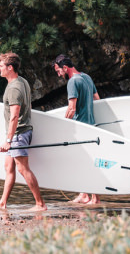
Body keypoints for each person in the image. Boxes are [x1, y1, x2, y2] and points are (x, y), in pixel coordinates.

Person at [0, 52, 47, 211]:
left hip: (19, 133)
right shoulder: (21, 81)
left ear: (10, 68)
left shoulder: (14, 88)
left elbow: (15, 116)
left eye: (1, 66)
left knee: (23, 169)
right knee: (8, 167)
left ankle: (40, 204)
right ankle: (2, 203)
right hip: (18, 133)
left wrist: (9, 140)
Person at [53, 54, 102, 205]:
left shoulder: (72, 82)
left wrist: (63, 125)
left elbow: (71, 109)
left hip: (80, 128)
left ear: (65, 68)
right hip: (91, 126)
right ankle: (85, 195)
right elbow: (97, 100)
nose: (59, 74)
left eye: (58, 71)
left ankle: (92, 198)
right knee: (87, 163)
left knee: (83, 163)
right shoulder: (87, 77)